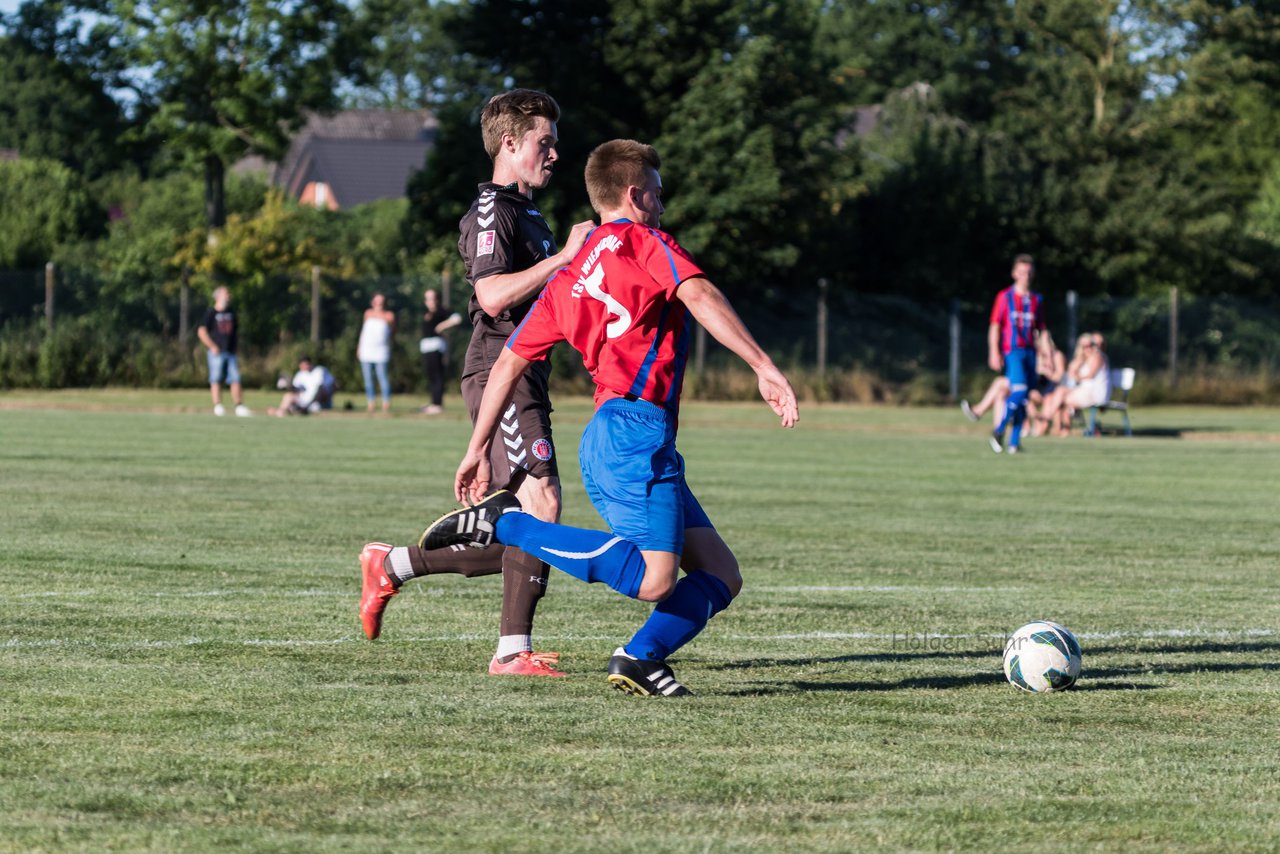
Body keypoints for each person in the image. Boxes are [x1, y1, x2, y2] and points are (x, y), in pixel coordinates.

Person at [421, 139, 799, 697]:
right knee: (655, 580)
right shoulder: (642, 241)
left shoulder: (566, 280)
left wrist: (475, 449)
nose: (663, 205)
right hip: (631, 434)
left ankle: (641, 659)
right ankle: (504, 524)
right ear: (634, 193)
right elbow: (698, 292)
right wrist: (763, 366)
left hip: (623, 438)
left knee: (721, 573)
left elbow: (505, 365)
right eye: (659, 194)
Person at [358, 89, 593, 678]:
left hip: (527, 373)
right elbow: (491, 296)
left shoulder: (530, 213)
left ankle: (395, 565)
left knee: (526, 522)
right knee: (542, 503)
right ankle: (511, 652)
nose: (555, 153)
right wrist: (565, 257)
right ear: (509, 144)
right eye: (545, 141)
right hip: (500, 368)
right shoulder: (491, 211)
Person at [986, 254, 1046, 454]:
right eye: (1021, 272)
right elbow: (995, 325)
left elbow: (1041, 330)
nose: (1025, 276)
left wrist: (1048, 355)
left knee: (1024, 397)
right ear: (1014, 274)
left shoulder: (1037, 299)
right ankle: (999, 430)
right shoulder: (1005, 297)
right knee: (1018, 390)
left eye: (1029, 273)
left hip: (1031, 352)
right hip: (1013, 352)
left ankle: (1014, 443)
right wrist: (994, 351)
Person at [1039, 332, 1109, 436]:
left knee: (1060, 396)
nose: (1088, 348)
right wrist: (1079, 359)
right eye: (1084, 346)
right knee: (1057, 394)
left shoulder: (1097, 357)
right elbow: (1072, 371)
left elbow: (1089, 376)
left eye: (1090, 345)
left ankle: (1046, 422)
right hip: (1084, 390)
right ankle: (1057, 428)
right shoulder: (1084, 358)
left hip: (1095, 393)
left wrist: (1076, 376)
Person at [196, 286, 251, 417]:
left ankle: (239, 406)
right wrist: (212, 346)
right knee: (216, 378)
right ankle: (218, 406)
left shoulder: (232, 312)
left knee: (235, 378)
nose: (229, 295)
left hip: (231, 351)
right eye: (226, 293)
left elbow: (235, 332)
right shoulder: (211, 313)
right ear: (218, 296)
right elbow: (201, 331)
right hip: (216, 352)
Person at [418, 288, 462, 414]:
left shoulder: (442, 311)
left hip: (436, 346)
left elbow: (457, 318)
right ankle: (433, 403)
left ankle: (438, 404)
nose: (430, 301)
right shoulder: (426, 313)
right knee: (431, 376)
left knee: (437, 375)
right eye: (428, 299)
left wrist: (442, 326)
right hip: (426, 346)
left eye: (433, 298)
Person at [357, 293, 396, 413]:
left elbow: (392, 333)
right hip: (366, 350)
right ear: (373, 302)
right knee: (368, 379)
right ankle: (371, 402)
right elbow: (363, 332)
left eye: (381, 302)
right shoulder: (367, 314)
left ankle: (386, 402)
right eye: (376, 301)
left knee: (382, 377)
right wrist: (359, 347)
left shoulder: (389, 316)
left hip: (381, 350)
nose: (379, 304)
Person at [267, 356, 335, 416]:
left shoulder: (319, 371)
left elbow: (322, 390)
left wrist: (308, 405)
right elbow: (297, 389)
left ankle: (279, 412)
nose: (301, 367)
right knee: (288, 396)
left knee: (295, 407)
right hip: (304, 401)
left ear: (308, 364)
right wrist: (288, 386)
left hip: (317, 403)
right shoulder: (300, 374)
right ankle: (281, 411)